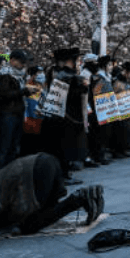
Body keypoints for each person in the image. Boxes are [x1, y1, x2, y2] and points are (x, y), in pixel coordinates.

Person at [0, 153, 104, 238]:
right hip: (46, 162)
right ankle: (84, 197)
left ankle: (78, 199)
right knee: (46, 213)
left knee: (29, 226)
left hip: (34, 174)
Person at [41, 48, 89, 184]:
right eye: (76, 60)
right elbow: (67, 96)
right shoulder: (65, 75)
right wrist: (82, 88)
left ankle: (64, 173)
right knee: (63, 147)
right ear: (70, 61)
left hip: (62, 116)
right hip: (65, 117)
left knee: (63, 147)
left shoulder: (59, 73)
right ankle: (62, 175)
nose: (78, 63)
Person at [0, 49, 39, 172]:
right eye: (21, 62)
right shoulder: (4, 75)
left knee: (13, 147)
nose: (24, 65)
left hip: (17, 113)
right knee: (4, 147)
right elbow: (4, 95)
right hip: (8, 114)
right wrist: (24, 91)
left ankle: (9, 174)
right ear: (13, 61)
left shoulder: (19, 75)